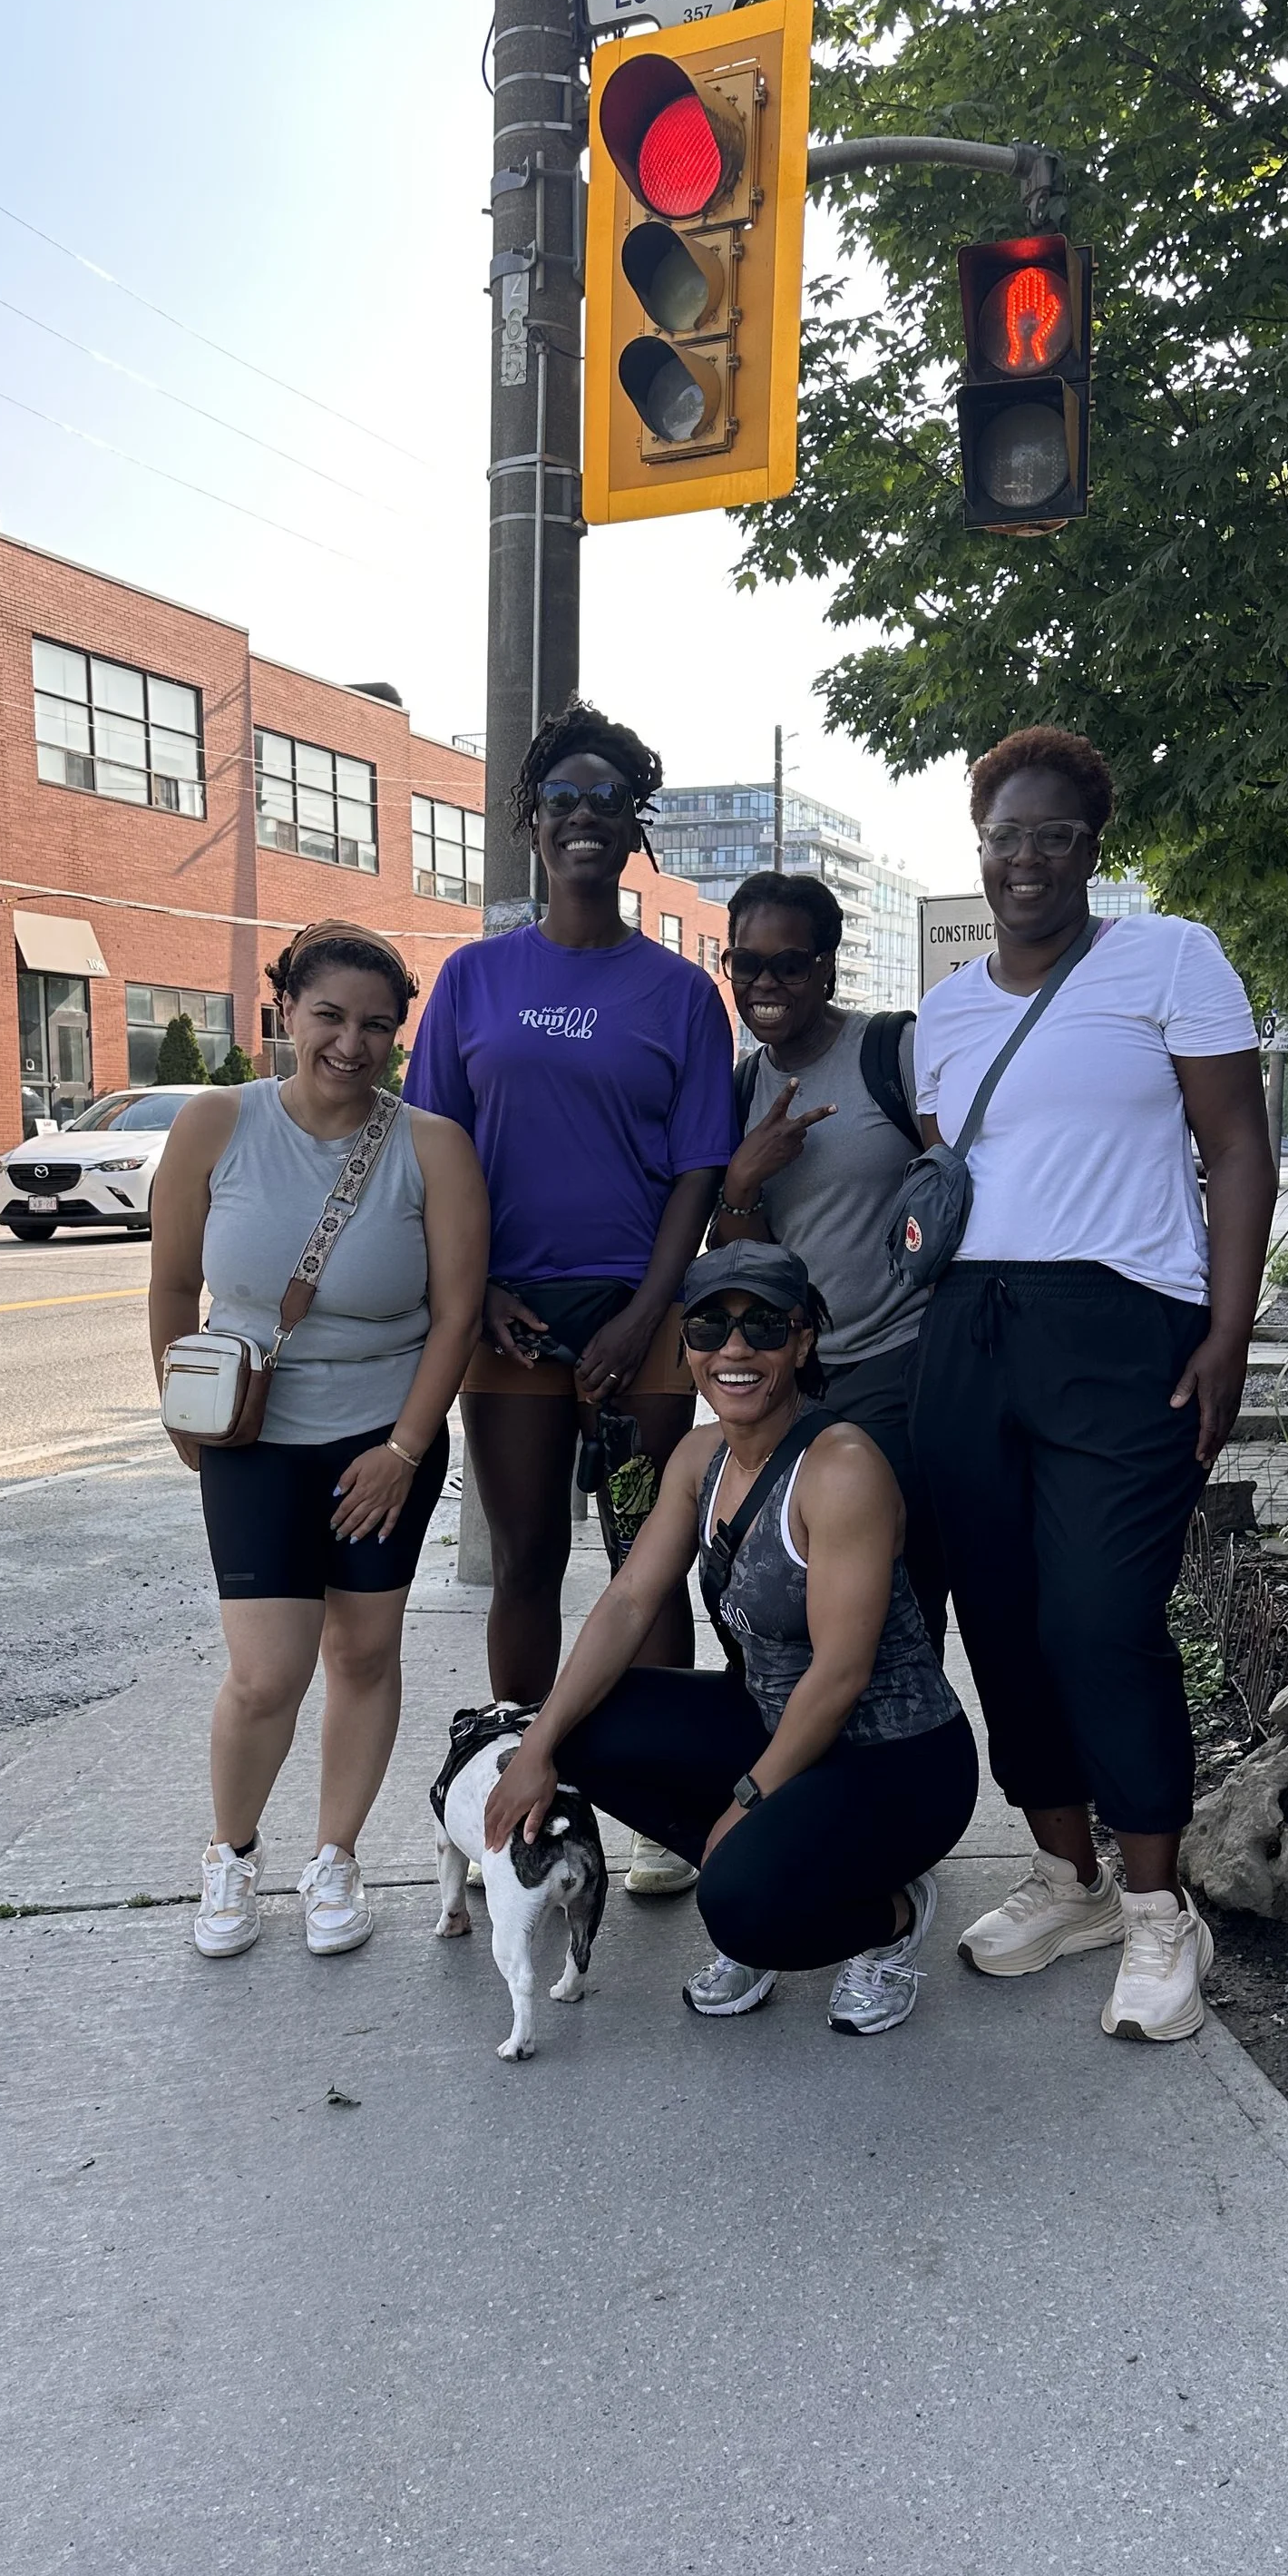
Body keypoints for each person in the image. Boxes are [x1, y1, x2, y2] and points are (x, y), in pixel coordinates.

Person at [910, 727, 1275, 2039]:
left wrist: (1226, 1333)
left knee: (1100, 1622)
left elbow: (1237, 1149)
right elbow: (960, 1181)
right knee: (1001, 1619)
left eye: (1052, 835)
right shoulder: (945, 1012)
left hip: (1122, 1332)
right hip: (969, 1332)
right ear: (981, 845)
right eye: (1004, 835)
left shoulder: (1168, 958)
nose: (1026, 860)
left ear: (1092, 849)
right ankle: (1066, 1875)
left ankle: (1161, 1911)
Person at [404, 700, 736, 1900]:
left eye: (607, 802)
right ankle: (526, 1782)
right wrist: (478, 1280)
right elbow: (432, 1144)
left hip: (636, 1329)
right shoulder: (474, 981)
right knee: (529, 1553)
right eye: (562, 803)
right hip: (510, 1327)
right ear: (532, 828)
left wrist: (647, 1317)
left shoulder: (680, 993)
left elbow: (701, 1166)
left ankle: (656, 1803)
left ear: (631, 824)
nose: (584, 820)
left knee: (643, 1547)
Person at [484, 1242, 978, 2036]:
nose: (736, 1348)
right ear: (686, 1347)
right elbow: (627, 1602)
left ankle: (888, 1915)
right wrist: (540, 1741)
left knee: (739, 1909)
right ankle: (773, 1865)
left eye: (764, 1326)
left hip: (898, 1758)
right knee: (585, 1727)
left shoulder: (841, 1466)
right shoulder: (699, 1456)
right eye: (711, 1325)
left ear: (803, 1340)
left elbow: (843, 1673)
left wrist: (746, 1801)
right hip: (775, 1724)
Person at [149, 922, 489, 1962]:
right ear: (285, 1011)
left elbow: (457, 1315)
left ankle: (334, 1857)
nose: (352, 1042)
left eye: (378, 1025)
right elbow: (170, 1283)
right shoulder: (215, 1123)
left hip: (383, 1436)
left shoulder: (432, 1145)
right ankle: (232, 1855)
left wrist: (404, 1445)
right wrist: (178, 1404)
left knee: (364, 1650)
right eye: (330, 1016)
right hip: (251, 1433)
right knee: (266, 1673)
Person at [707, 870, 945, 1647]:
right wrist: (745, 1178)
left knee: (890, 1600)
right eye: (747, 963)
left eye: (790, 963)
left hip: (897, 1367)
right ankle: (799, 1756)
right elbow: (740, 1272)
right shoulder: (740, 1087)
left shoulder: (892, 1050)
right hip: (787, 1381)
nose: (766, 981)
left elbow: (959, 1182)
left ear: (826, 968)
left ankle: (903, 1751)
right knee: (783, 1589)